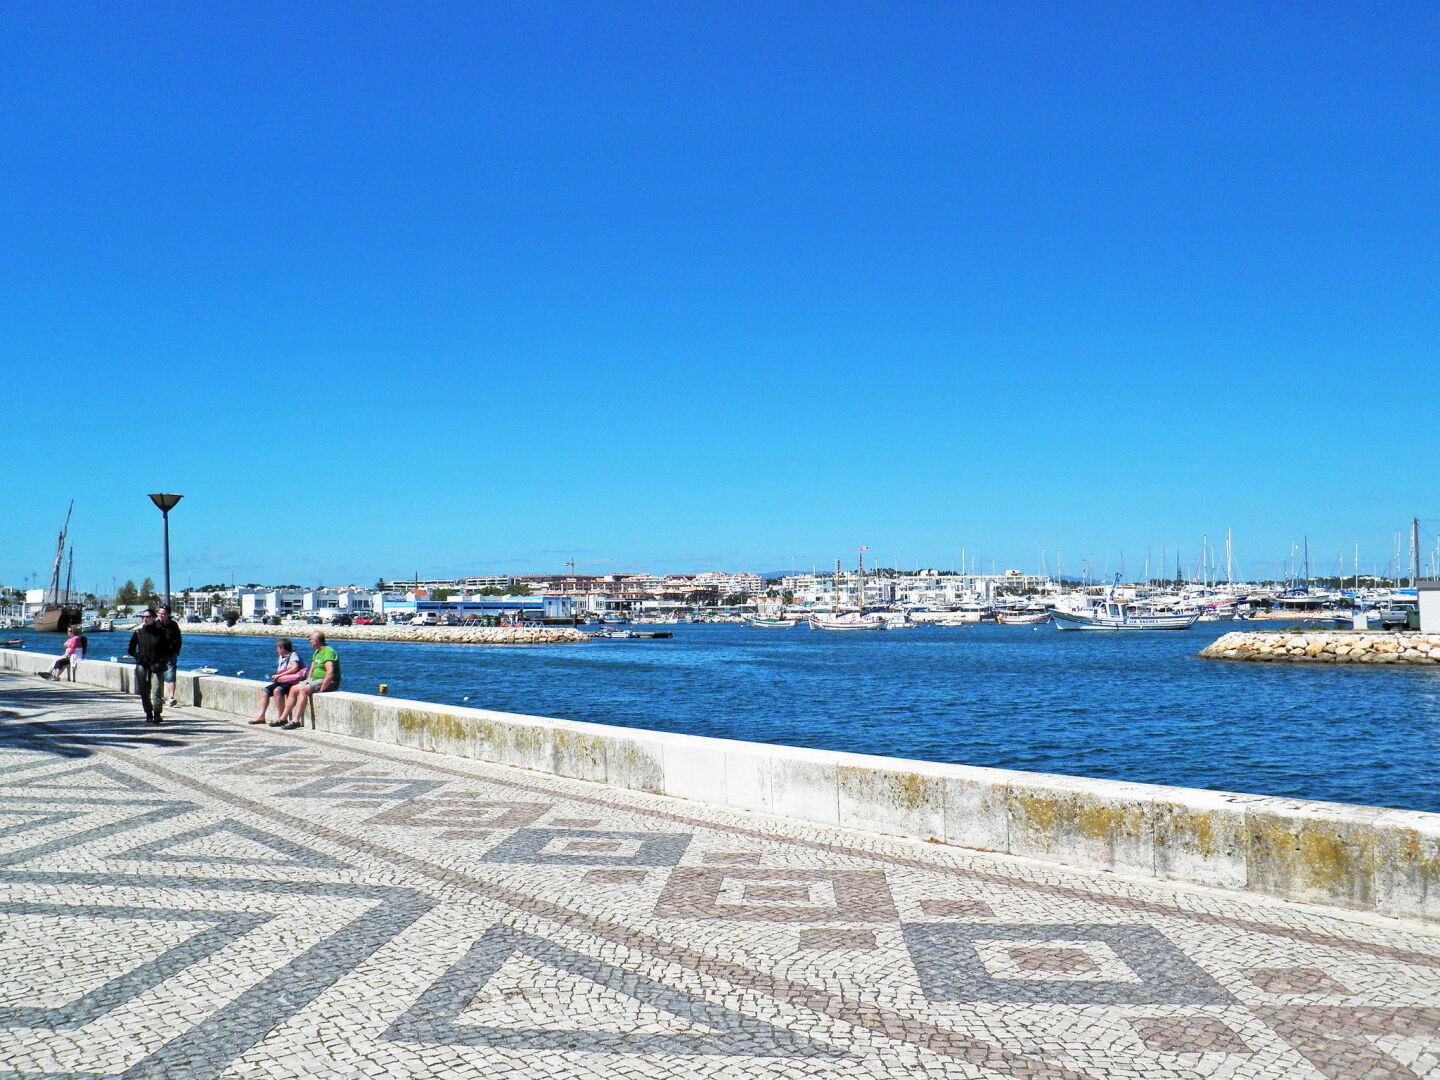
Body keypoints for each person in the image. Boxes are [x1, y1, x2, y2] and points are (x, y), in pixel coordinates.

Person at [278, 631, 340, 729]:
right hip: (314, 679)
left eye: (310, 640)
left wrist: (322, 688)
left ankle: (296, 720)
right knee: (294, 688)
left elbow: (330, 672)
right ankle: (283, 718)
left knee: (304, 690)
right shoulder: (317, 652)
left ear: (315, 641)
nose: (309, 642)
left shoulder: (329, 652)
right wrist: (306, 681)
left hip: (327, 681)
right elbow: (312, 668)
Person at [127, 609, 169, 723]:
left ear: (153, 618)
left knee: (157, 690)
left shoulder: (161, 632)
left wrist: (162, 660)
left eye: (147, 617)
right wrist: (138, 657)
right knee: (144, 691)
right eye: (143, 617)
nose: (145, 619)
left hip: (157, 665)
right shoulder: (138, 633)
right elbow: (131, 649)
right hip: (142, 666)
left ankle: (157, 713)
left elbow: (167, 649)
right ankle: (148, 713)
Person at [251, 638, 304, 726]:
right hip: (283, 680)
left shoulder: (293, 655)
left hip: (291, 682)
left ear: (282, 648)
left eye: (277, 648)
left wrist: (280, 675)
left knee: (277, 690)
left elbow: (295, 668)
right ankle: (261, 716)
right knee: (265, 691)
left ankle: (280, 717)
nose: (277, 650)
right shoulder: (281, 657)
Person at [157, 604, 183, 706]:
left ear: (168, 615)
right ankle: (161, 697)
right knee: (159, 676)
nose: (161, 616)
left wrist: (176, 651)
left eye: (163, 614)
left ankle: (171, 697)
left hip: (170, 654)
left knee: (170, 675)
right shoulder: (155, 625)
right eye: (159, 614)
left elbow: (179, 639)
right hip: (158, 655)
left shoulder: (173, 625)